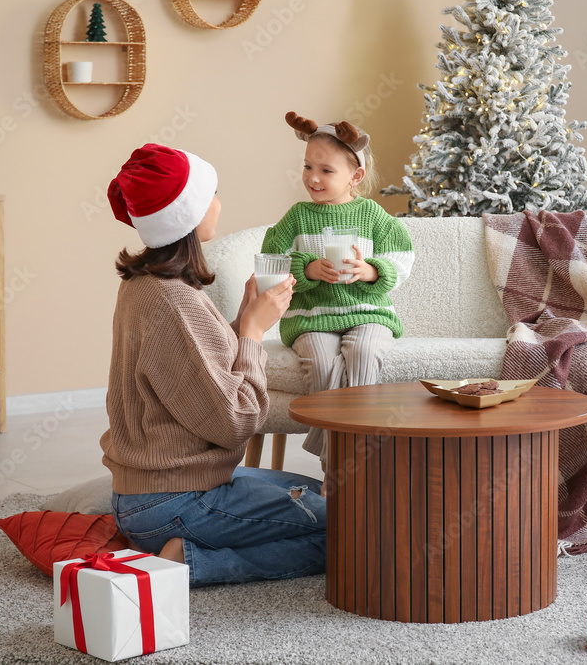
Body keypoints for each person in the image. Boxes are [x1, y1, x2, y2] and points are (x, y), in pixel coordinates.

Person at [100, 143, 326, 587]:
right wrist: (254, 334)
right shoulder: (174, 301)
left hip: (150, 496)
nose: (220, 203)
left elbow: (190, 367)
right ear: (188, 212)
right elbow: (237, 420)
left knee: (327, 494)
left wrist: (244, 318)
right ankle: (191, 562)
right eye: (213, 193)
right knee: (354, 527)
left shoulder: (147, 285)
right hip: (179, 502)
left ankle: (185, 546)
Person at [261, 112, 415, 473]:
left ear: (355, 176)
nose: (313, 177)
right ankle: (349, 459)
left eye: (326, 170)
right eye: (308, 166)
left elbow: (402, 257)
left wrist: (372, 269)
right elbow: (271, 259)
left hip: (367, 312)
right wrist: (307, 268)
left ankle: (339, 451)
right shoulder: (297, 217)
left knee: (363, 351)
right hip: (312, 316)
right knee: (319, 360)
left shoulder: (373, 215)